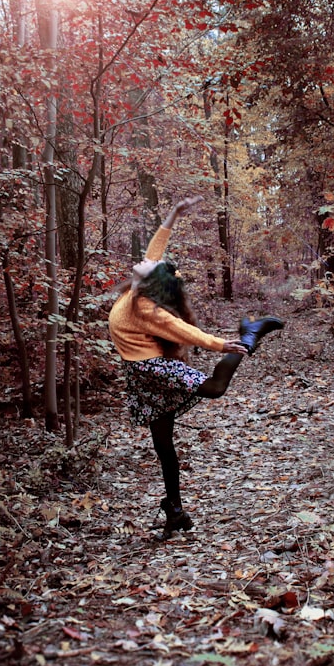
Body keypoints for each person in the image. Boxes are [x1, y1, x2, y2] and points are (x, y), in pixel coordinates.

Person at [108, 195, 284, 539]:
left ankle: (249, 336)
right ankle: (175, 510)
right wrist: (172, 214)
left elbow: (185, 331)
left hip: (153, 370)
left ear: (150, 282)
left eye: (148, 265)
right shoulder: (136, 289)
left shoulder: (146, 309)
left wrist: (222, 344)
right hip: (140, 376)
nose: (144, 261)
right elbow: (154, 253)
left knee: (215, 389)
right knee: (163, 445)